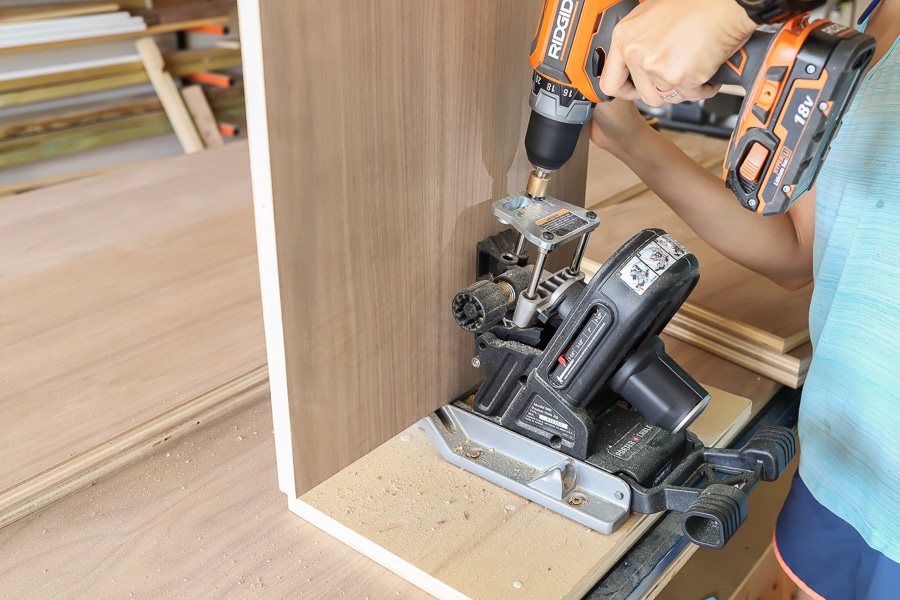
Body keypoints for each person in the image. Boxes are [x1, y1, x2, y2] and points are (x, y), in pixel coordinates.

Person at [588, 1, 900, 598]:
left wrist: (727, 7)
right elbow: (798, 250)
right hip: (842, 472)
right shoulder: (871, 21)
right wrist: (629, 138)